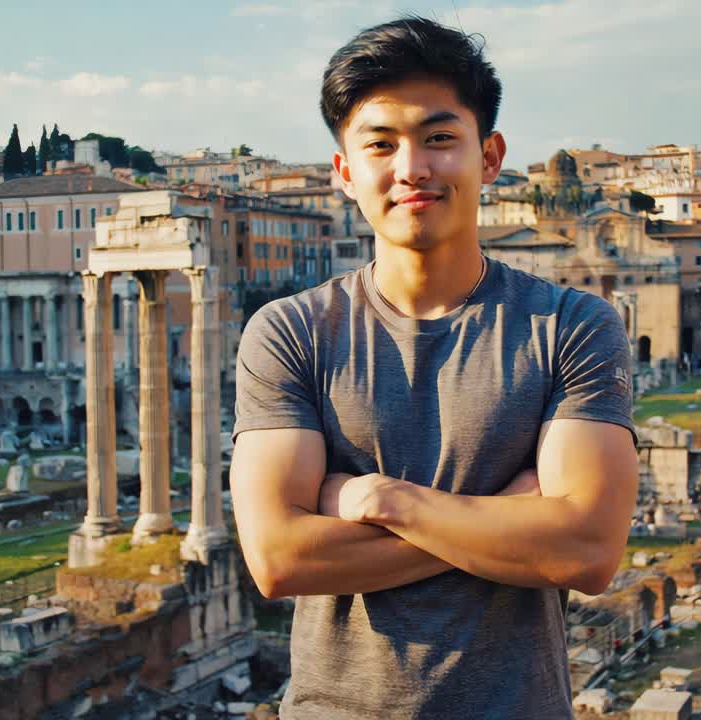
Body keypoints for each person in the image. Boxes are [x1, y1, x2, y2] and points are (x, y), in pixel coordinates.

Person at [230, 15, 639, 719]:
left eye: (440, 138)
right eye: (381, 144)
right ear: (344, 172)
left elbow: (587, 551)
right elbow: (279, 560)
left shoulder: (573, 326)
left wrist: (384, 502)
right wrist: (513, 517)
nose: (412, 167)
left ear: (490, 155)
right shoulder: (289, 331)